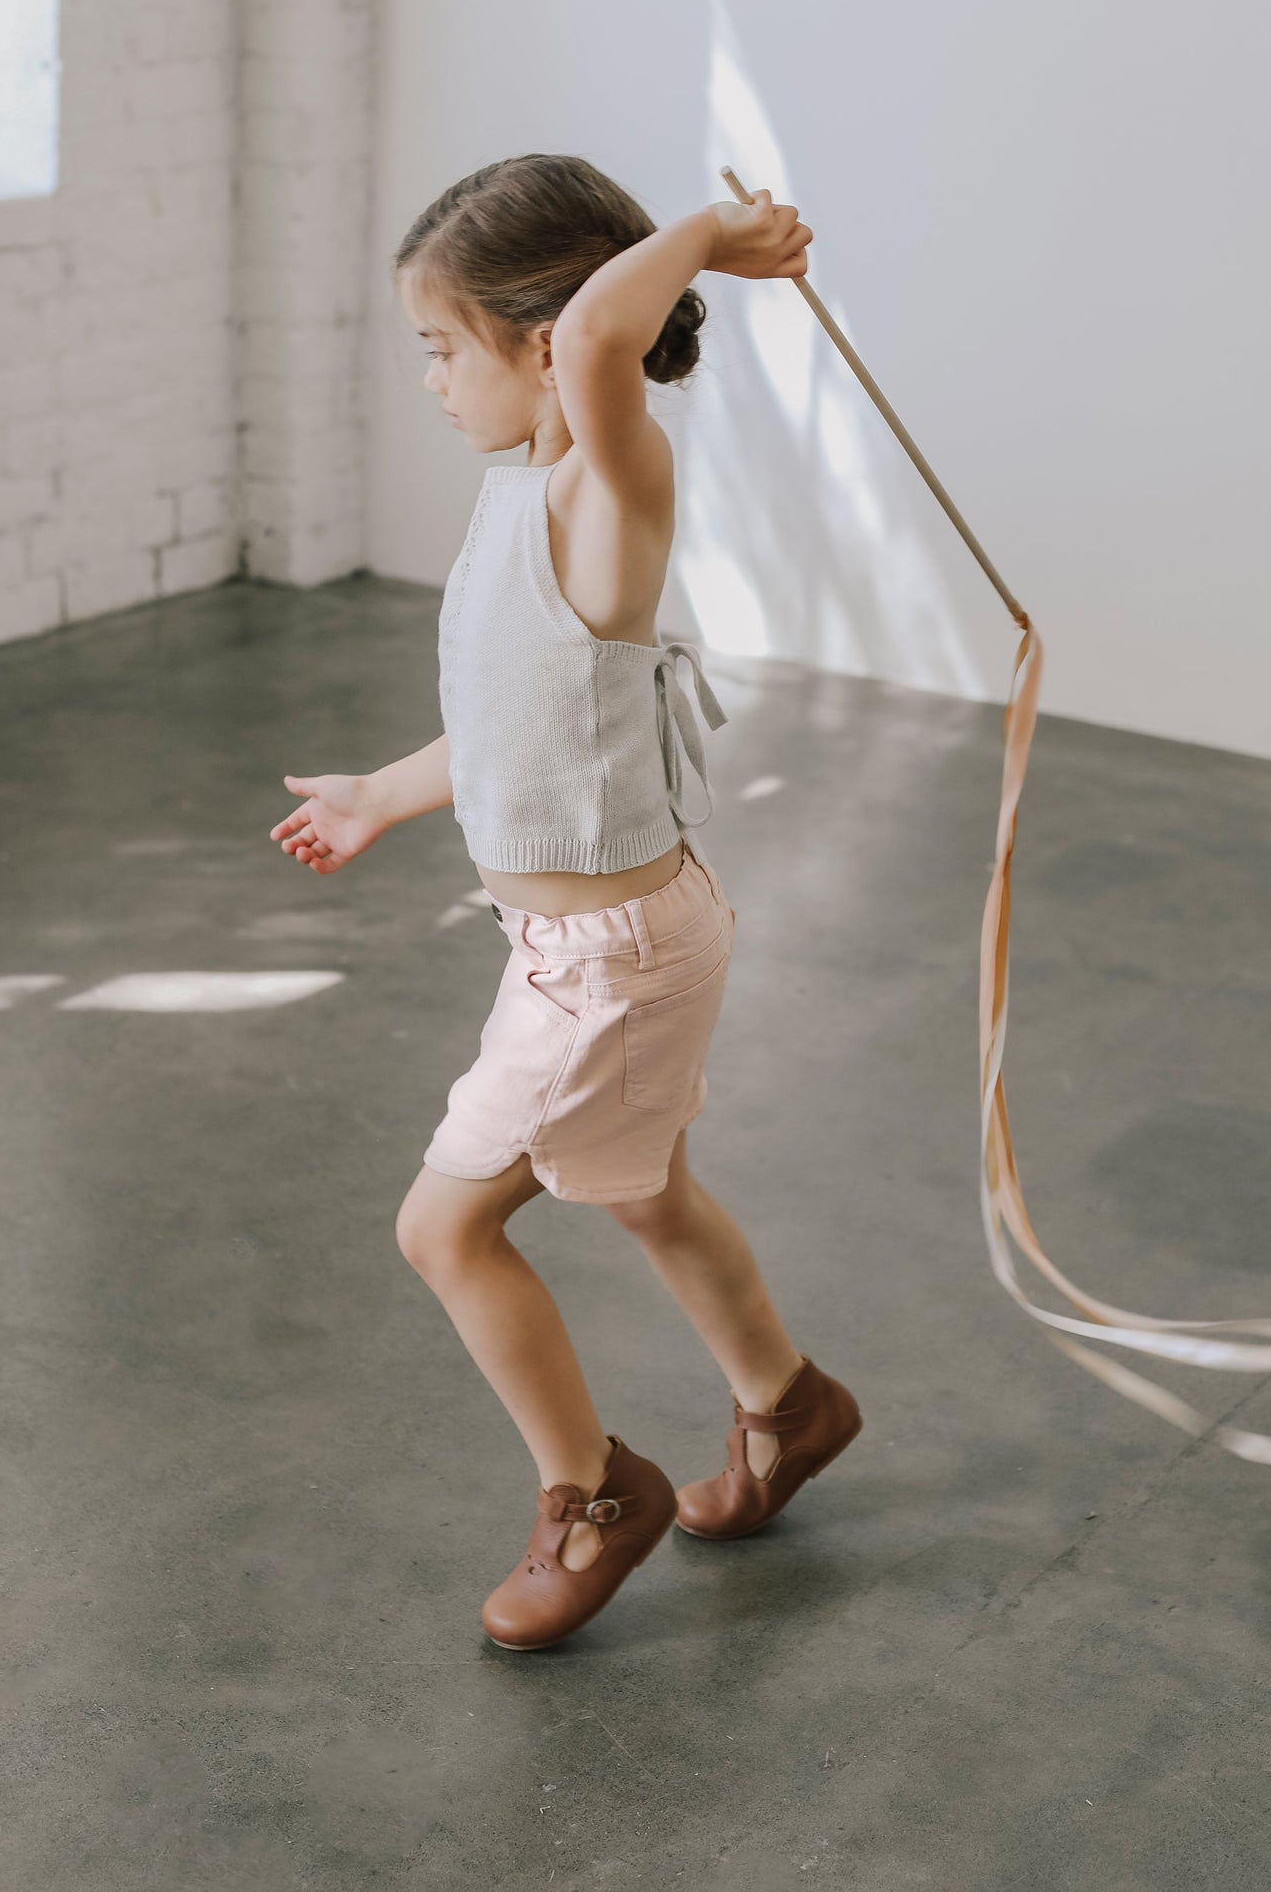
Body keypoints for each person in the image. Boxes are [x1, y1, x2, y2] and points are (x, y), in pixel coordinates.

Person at [268, 155, 861, 1649]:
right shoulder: (520, 497)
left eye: (440, 345)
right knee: (644, 1188)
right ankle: (789, 1405)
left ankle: (596, 1496)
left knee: (445, 1231)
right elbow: (513, 724)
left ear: (540, 344)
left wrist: (712, 234)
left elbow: (605, 330)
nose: (428, 379)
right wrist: (379, 794)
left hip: (605, 965)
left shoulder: (612, 478)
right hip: (615, 941)